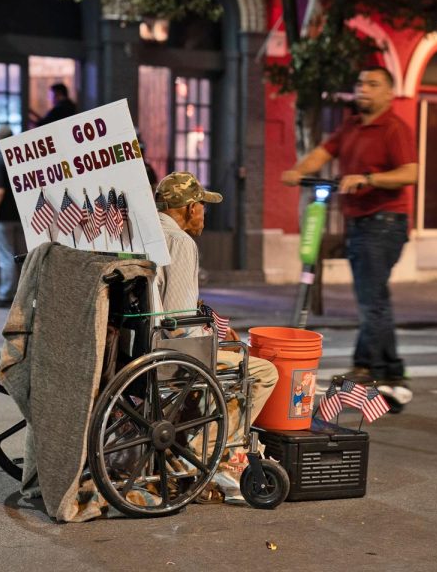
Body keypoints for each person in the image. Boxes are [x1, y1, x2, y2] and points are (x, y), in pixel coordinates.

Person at [281, 66, 417, 410]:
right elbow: (324, 152)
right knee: (373, 298)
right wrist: (299, 170)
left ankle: (379, 369)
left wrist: (368, 178)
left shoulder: (394, 128)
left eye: (373, 84)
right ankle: (377, 367)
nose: (363, 89)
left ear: (389, 93)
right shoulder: (351, 125)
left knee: (372, 299)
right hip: (358, 222)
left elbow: (410, 172)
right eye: (359, 83)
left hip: (384, 222)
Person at [153, 171, 279, 501]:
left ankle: (200, 441)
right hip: (169, 354)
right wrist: (213, 336)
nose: (204, 215)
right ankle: (202, 451)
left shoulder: (143, 235)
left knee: (226, 357)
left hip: (140, 345)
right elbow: (178, 320)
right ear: (191, 207)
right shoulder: (179, 242)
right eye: (202, 208)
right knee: (263, 371)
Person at [0, 125, 23, 308]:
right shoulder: (20, 161)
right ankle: (22, 293)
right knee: (20, 256)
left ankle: (5, 295)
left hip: (3, 217)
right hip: (20, 215)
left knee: (6, 256)